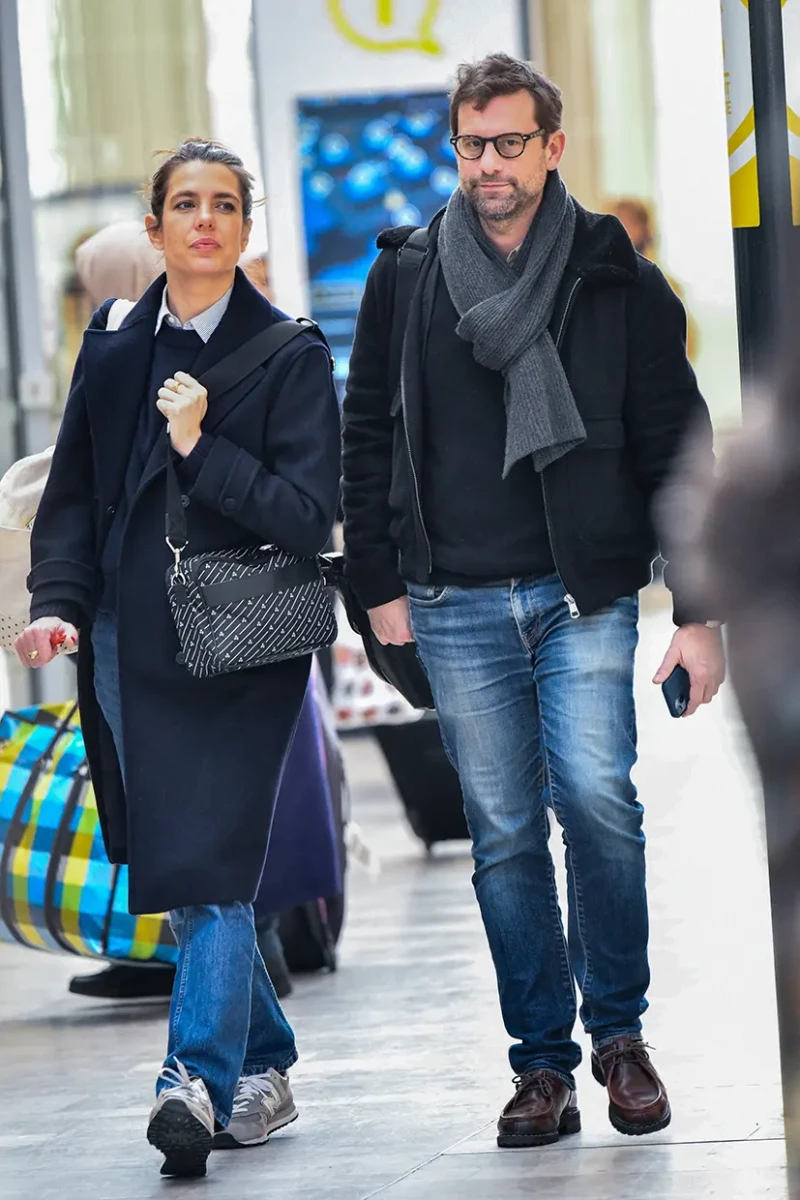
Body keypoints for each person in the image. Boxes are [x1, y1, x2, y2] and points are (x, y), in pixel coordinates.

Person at [341, 53, 726, 1149]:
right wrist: (375, 586)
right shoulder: (407, 274)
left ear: (552, 147)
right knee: (504, 834)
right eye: (470, 145)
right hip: (449, 597)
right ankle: (541, 1067)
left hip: (580, 591)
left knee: (597, 802)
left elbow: (675, 446)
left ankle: (618, 1036)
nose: (487, 166)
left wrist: (696, 613)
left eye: (509, 143)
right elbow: (363, 431)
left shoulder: (612, 276)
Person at [17, 139, 341, 1178]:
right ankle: (269, 1060)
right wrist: (58, 608)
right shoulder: (112, 346)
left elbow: (305, 515)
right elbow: (75, 496)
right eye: (184, 205)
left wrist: (206, 448)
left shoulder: (290, 353)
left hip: (238, 645)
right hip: (125, 640)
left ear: (246, 229)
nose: (205, 221)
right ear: (153, 229)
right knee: (191, 863)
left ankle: (191, 1081)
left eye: (225, 205)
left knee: (209, 859)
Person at [605, 197, 698, 362]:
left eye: (628, 221)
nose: (620, 228)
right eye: (614, 220)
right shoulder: (596, 281)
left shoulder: (663, 283)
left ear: (645, 230)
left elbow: (685, 345)